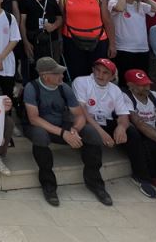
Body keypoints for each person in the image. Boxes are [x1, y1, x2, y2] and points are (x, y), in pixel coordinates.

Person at [23, 57, 110, 207]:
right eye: (57, 73)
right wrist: (64, 133)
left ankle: (95, 182)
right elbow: (34, 119)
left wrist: (74, 130)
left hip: (63, 126)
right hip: (41, 127)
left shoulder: (64, 88)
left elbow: (79, 114)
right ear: (45, 75)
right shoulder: (32, 88)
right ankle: (49, 185)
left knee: (91, 133)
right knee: (40, 136)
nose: (62, 76)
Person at [72, 59, 156, 198]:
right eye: (97, 70)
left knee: (132, 132)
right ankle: (96, 185)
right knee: (93, 136)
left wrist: (122, 127)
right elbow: (82, 111)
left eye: (105, 72)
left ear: (112, 76)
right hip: (86, 121)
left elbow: (123, 115)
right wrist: (102, 133)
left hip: (105, 120)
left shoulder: (115, 89)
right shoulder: (81, 82)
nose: (100, 75)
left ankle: (142, 177)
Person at [60, 0, 115, 79]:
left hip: (98, 41)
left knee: (98, 74)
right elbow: (61, 21)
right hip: (72, 42)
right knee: (77, 75)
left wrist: (112, 44)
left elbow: (107, 21)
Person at [109, 0, 156, 76]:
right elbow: (120, 8)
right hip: (123, 48)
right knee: (125, 79)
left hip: (142, 48)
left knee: (141, 77)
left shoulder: (140, 5)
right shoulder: (113, 2)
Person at [19, 0, 63, 74]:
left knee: (53, 69)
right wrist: (25, 42)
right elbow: (22, 23)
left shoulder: (51, 0)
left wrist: (54, 26)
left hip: (52, 40)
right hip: (34, 41)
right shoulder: (24, 1)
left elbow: (60, 18)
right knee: (35, 70)